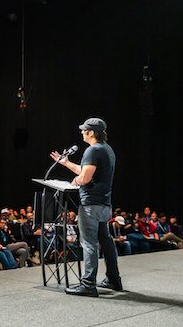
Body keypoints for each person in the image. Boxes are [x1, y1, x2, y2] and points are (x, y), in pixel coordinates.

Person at [50, 117, 122, 296]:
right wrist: (65, 163)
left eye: (84, 130)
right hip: (104, 205)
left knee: (88, 243)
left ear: (91, 133)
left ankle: (88, 284)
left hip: (91, 205)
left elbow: (84, 178)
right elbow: (88, 171)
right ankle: (114, 280)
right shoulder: (107, 150)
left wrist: (77, 181)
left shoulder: (92, 150)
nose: (82, 132)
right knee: (106, 242)